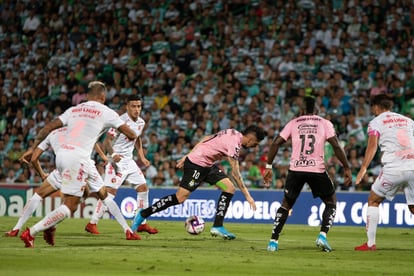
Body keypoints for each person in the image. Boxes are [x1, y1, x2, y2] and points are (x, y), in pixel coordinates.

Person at [19, 81, 140, 248]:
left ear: (87, 96)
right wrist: (134, 133)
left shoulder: (74, 110)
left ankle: (127, 230)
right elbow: (130, 134)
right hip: (77, 159)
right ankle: (31, 232)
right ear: (103, 97)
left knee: (103, 194)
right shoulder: (107, 112)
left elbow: (49, 127)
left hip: (65, 156)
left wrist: (33, 148)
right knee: (70, 206)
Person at [131, 125, 266, 239]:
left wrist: (188, 154)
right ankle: (142, 214)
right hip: (196, 165)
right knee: (180, 198)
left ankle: (217, 226)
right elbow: (235, 174)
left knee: (229, 188)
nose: (255, 146)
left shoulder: (232, 131)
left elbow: (206, 139)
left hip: (208, 166)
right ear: (251, 138)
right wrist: (248, 196)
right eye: (256, 143)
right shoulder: (234, 144)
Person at [263, 96, 352, 252]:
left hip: (296, 169)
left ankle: (273, 242)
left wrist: (269, 166)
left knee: (286, 204)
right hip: (316, 169)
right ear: (316, 110)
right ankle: (322, 236)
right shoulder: (324, 123)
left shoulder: (293, 123)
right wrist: (346, 167)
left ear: (302, 110)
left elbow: (276, 142)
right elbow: (336, 146)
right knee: (331, 202)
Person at [4, 127, 107, 240]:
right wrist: (101, 155)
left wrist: (42, 175)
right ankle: (51, 225)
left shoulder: (52, 134)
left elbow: (34, 159)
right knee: (78, 201)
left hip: (60, 170)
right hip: (76, 168)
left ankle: (16, 229)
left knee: (37, 196)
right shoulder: (76, 132)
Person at [85, 94, 158, 235]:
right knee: (110, 193)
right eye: (133, 106)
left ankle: (142, 223)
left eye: (139, 106)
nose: (137, 109)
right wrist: (113, 155)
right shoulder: (119, 122)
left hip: (129, 161)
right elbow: (107, 142)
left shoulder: (141, 123)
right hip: (116, 162)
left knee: (143, 188)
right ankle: (92, 223)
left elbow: (136, 138)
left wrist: (141, 156)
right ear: (127, 107)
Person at [354, 94, 414, 251]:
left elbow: (372, 146)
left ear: (376, 106)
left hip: (393, 169)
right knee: (413, 207)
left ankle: (370, 243)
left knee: (374, 200)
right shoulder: (408, 121)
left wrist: (363, 169)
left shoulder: (376, 122)